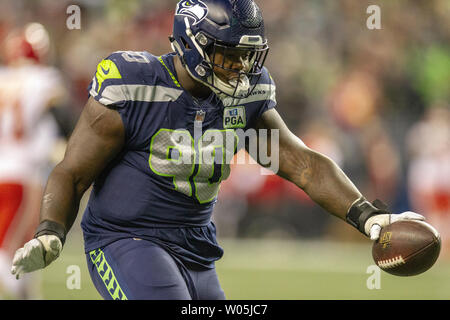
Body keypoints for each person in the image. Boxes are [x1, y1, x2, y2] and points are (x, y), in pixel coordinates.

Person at [11, 0, 425, 300]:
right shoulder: (133, 84)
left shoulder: (246, 96)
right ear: (192, 44)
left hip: (196, 245)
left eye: (247, 57)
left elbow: (301, 164)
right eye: (228, 56)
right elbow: (73, 171)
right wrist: (51, 230)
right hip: (127, 237)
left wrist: (369, 216)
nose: (240, 68)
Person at [0, 23, 70, 299]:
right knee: (15, 247)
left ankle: (27, 293)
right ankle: (25, 294)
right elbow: (59, 102)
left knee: (17, 245)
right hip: (23, 173)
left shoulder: (3, 77)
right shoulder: (44, 78)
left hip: (4, 169)